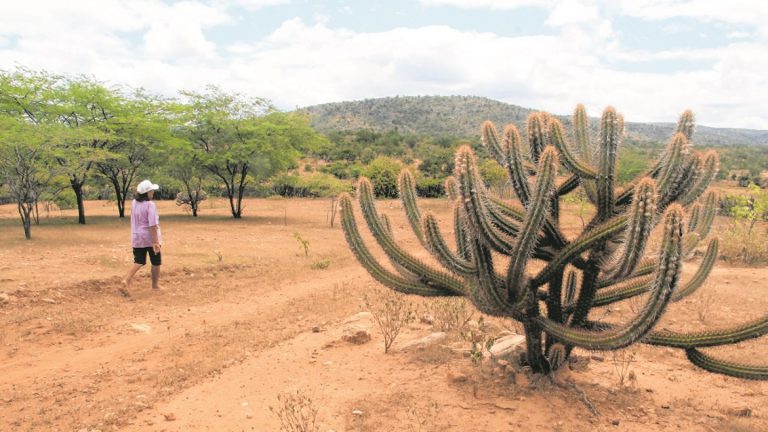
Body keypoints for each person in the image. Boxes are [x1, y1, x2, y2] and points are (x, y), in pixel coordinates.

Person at [120, 179, 163, 297]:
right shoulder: (150, 205)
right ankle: (155, 285)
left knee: (139, 261)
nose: (153, 192)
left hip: (137, 237)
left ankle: (126, 280)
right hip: (149, 238)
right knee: (156, 261)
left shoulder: (134, 202)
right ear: (147, 193)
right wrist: (155, 242)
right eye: (151, 190)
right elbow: (153, 225)